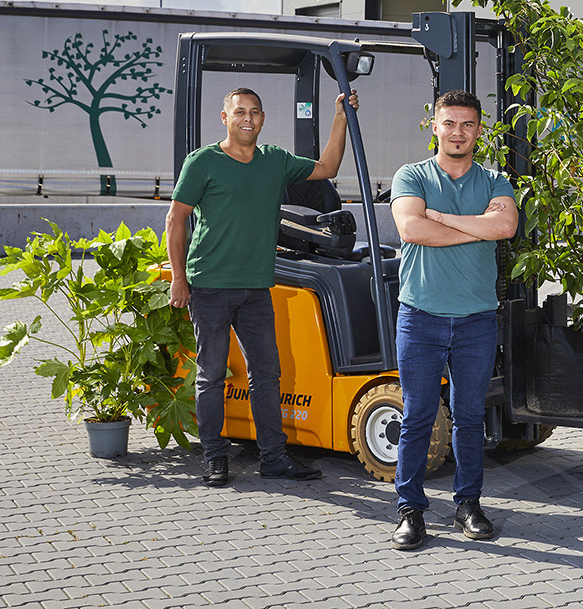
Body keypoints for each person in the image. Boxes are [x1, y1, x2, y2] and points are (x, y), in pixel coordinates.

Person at [167, 86, 358, 488]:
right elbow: (175, 220)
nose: (247, 119)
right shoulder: (202, 163)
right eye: (239, 112)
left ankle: (273, 457)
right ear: (225, 118)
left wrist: (340, 116)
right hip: (210, 287)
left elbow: (327, 167)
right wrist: (179, 279)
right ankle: (215, 458)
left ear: (263, 118)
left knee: (266, 374)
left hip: (256, 288)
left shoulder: (275, 161)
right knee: (212, 375)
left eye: (254, 112)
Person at [388, 90, 518, 551]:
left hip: (476, 320)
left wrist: (441, 217)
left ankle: (468, 503)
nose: (458, 132)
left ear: (479, 130)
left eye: (467, 124)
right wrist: (471, 224)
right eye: (450, 123)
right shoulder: (412, 175)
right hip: (420, 316)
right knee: (417, 415)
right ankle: (410, 510)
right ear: (435, 127)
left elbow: (504, 228)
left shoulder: (496, 179)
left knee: (468, 416)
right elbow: (411, 229)